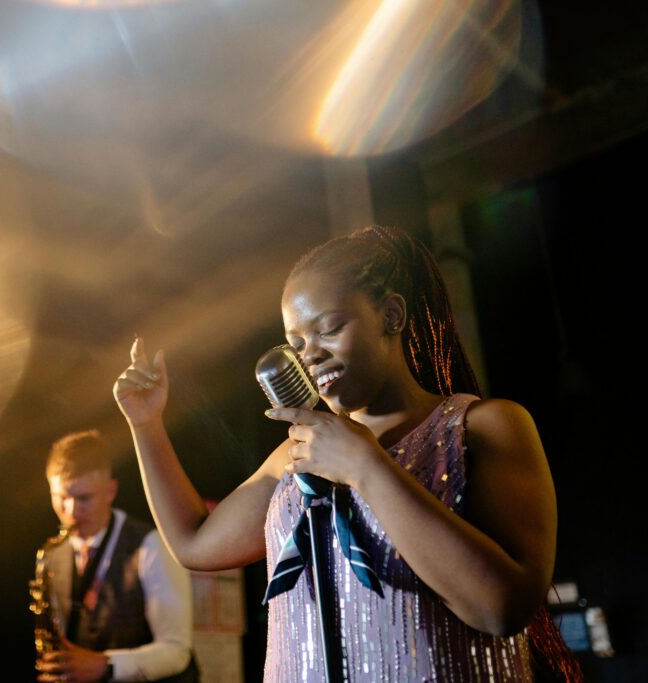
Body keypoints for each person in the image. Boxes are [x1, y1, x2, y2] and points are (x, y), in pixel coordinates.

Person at [113, 225, 580, 681]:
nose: (311, 355)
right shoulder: (296, 455)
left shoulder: (481, 427)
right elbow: (194, 542)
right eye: (297, 344)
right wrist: (146, 424)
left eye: (329, 329)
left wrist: (366, 466)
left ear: (391, 316)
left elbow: (502, 608)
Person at [35, 429, 201, 683]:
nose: (71, 511)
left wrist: (107, 665)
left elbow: (177, 651)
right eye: (61, 498)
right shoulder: (52, 555)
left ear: (110, 491)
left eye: (84, 498)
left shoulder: (151, 545)